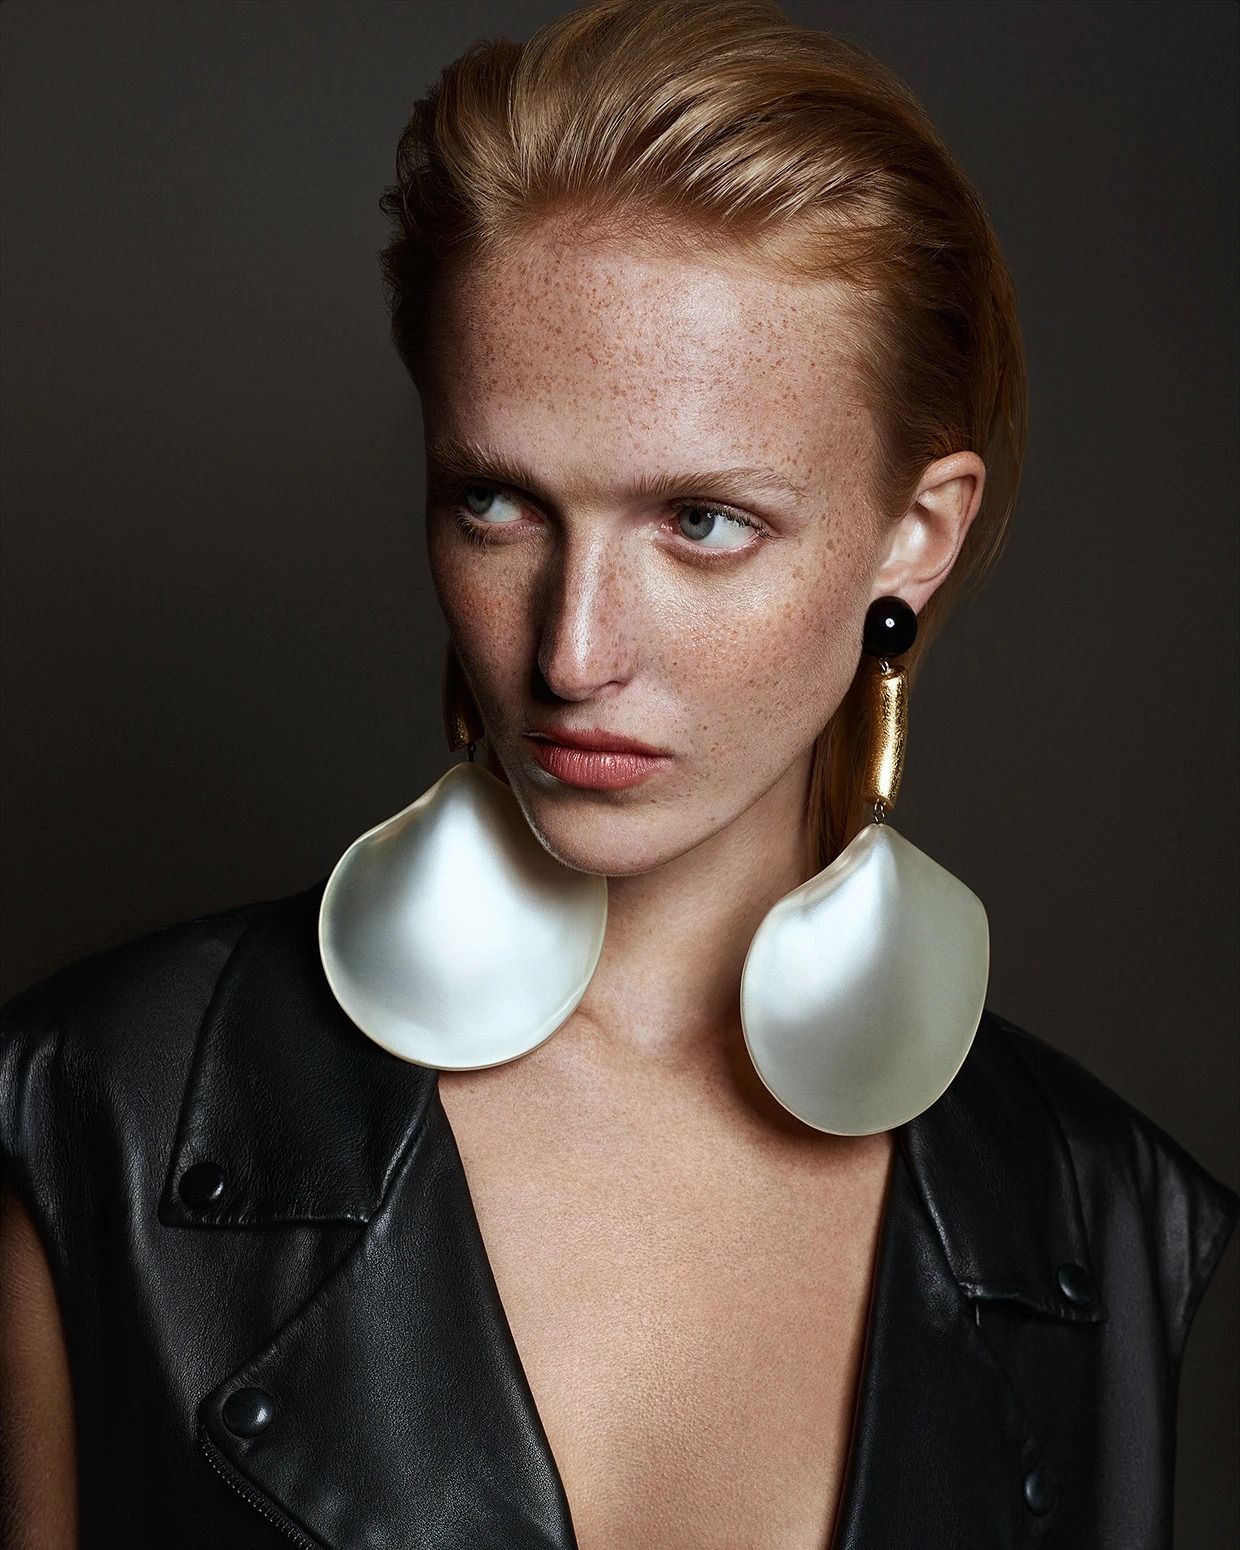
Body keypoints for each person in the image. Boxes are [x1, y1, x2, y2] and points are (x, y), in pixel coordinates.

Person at [1, 2, 1235, 1547]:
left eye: (703, 521)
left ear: (916, 533)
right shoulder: (92, 1111)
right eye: (497, 503)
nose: (572, 650)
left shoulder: (1102, 1219)